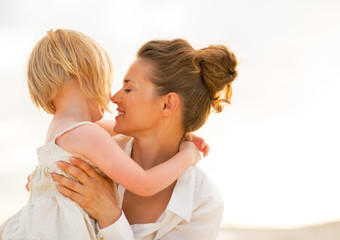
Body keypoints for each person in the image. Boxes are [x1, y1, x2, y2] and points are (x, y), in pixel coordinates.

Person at [0, 30, 205, 240]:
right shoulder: (86, 133)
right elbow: (145, 184)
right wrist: (188, 155)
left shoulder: (62, 129)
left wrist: (180, 135)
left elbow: (127, 131)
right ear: (85, 78)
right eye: (106, 82)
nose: (111, 96)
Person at [53, 38, 238, 239]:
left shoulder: (202, 202)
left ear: (167, 104)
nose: (114, 97)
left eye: (129, 88)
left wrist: (110, 217)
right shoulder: (92, 159)